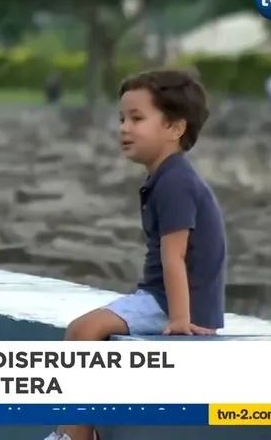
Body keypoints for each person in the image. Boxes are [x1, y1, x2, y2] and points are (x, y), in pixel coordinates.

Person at [48, 70, 226, 440]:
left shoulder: (175, 181)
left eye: (137, 119)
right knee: (83, 331)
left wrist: (180, 321)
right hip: (165, 298)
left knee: (83, 332)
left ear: (175, 128)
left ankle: (77, 436)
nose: (124, 128)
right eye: (122, 119)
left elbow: (175, 257)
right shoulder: (165, 177)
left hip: (173, 303)